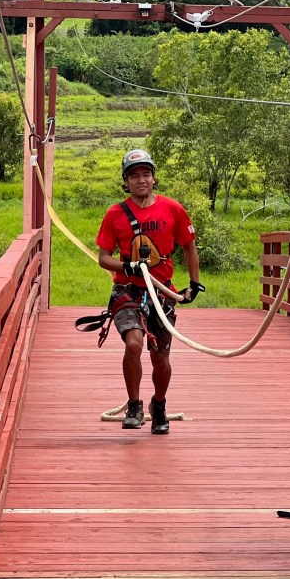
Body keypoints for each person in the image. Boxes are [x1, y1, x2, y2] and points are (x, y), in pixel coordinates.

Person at [97, 148, 204, 433]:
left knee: (160, 358)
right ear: (126, 181)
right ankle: (134, 405)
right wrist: (127, 266)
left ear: (154, 178)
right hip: (128, 290)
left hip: (162, 293)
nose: (141, 180)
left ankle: (159, 405)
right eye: (134, 176)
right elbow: (103, 257)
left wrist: (194, 283)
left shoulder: (173, 209)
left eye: (146, 174)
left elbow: (189, 246)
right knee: (133, 343)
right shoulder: (115, 214)